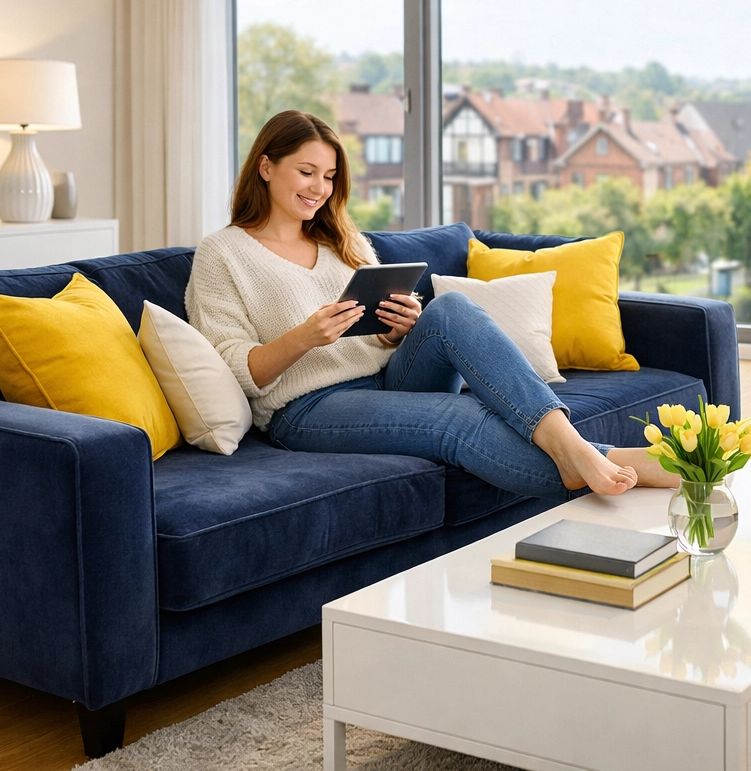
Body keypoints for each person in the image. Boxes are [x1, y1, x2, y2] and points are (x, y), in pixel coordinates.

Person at [185, 109, 678, 500]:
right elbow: (235, 370)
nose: (320, 188)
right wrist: (305, 337)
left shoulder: (341, 238)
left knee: (450, 309)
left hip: (386, 378)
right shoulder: (223, 253)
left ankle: (569, 444)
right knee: (458, 416)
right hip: (308, 408)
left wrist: (397, 329)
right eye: (306, 172)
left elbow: (378, 336)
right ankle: (612, 461)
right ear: (266, 167)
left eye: (330, 176)